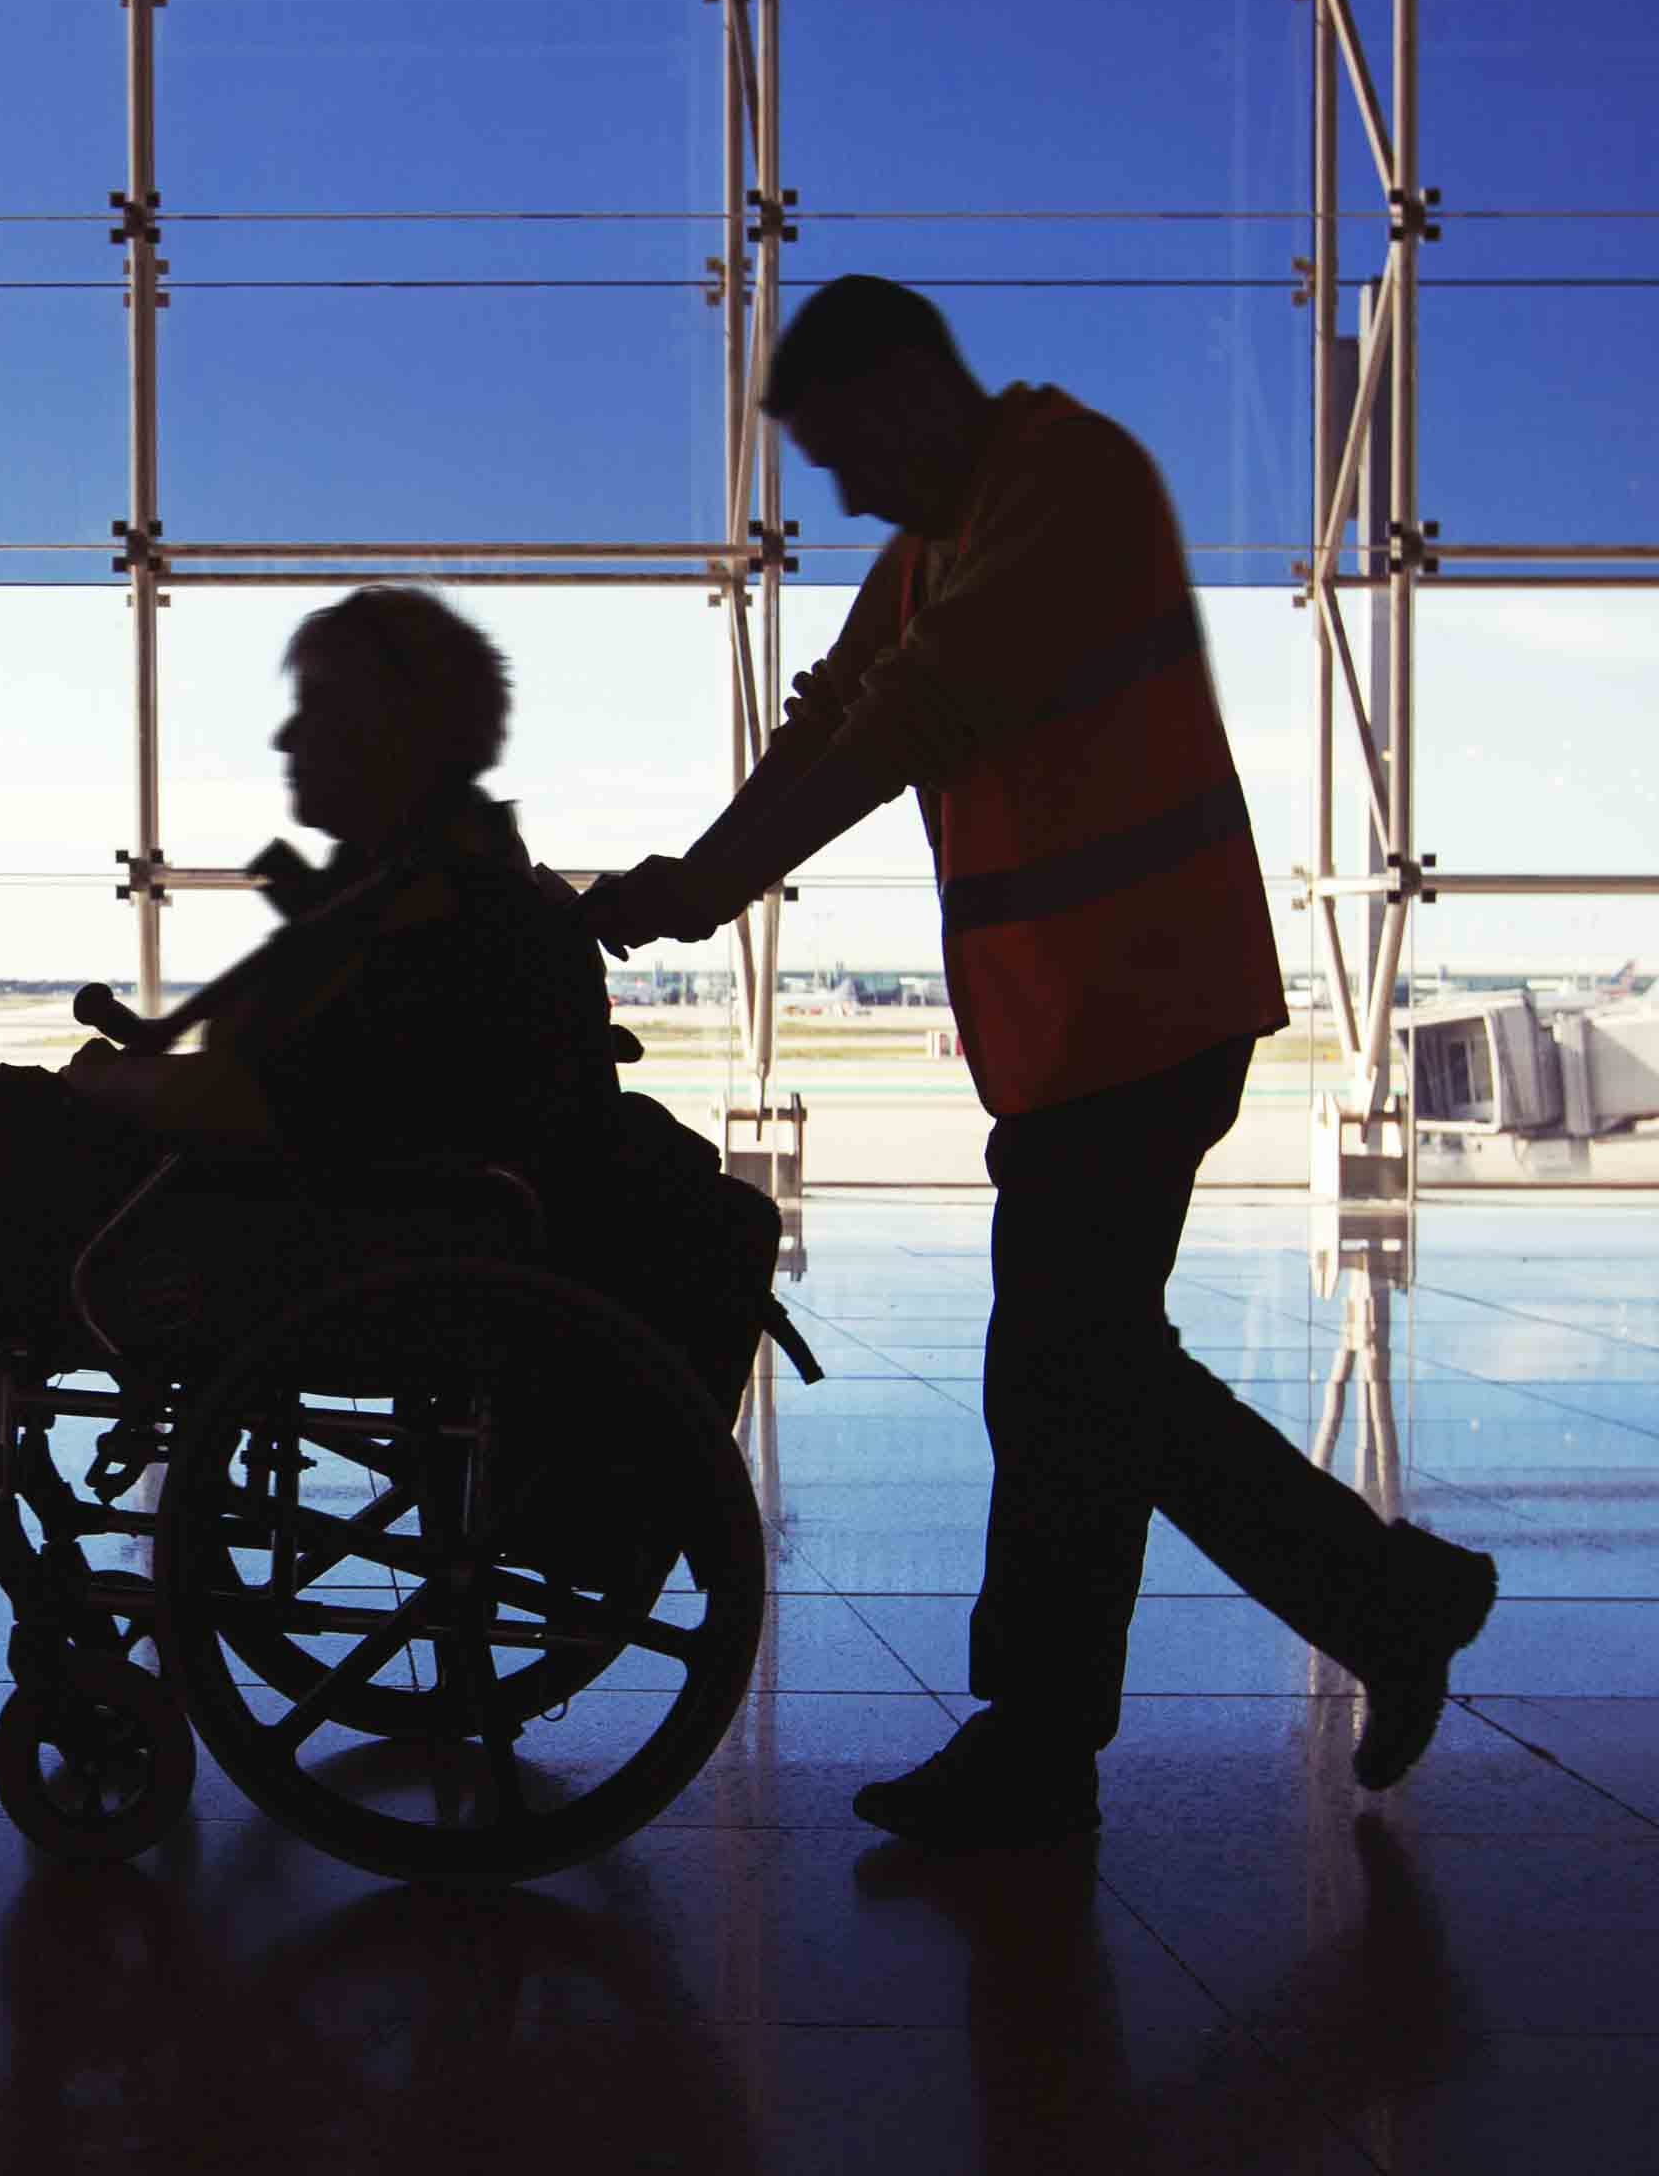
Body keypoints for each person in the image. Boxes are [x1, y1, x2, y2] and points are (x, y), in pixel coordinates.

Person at [584, 277, 1495, 1850]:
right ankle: (1382, 1600)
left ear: (914, 396)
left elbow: (907, 720)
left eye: (847, 450)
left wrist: (703, 886)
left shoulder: (1068, 486)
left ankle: (1051, 1730)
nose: (847, 491)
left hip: (1144, 1006)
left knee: (1063, 1366)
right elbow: (837, 713)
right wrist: (688, 875)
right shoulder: (950, 534)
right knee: (1094, 1368)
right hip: (1084, 1022)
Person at [0, 586, 628, 1759]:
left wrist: (90, 1091)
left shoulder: (432, 903)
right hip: (387, 1229)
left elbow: (278, 1111)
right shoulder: (456, 887)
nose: (286, 739)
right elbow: (328, 1098)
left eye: (316, 710)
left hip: (344, 1254)